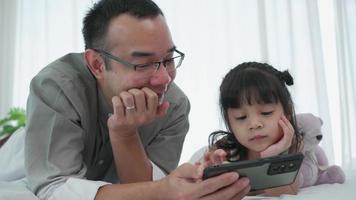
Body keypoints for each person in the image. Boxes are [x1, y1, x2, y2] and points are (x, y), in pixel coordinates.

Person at [23, 0, 250, 199]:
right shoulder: (57, 87)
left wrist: (125, 135)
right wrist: (162, 191)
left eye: (169, 59)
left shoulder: (175, 105)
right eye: (143, 64)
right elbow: (52, 188)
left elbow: (145, 191)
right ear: (97, 64)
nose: (164, 79)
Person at [200, 62, 303, 196]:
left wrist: (273, 156)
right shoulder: (224, 151)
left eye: (266, 113)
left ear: (287, 113)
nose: (254, 124)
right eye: (241, 117)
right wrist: (218, 173)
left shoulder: (293, 145)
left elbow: (288, 194)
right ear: (230, 124)